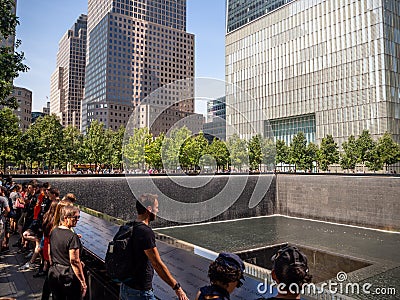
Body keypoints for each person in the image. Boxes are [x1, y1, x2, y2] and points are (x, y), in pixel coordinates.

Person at [119, 193, 188, 300]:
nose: (158, 211)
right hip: (140, 292)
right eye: (156, 208)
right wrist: (177, 287)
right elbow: (156, 264)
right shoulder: (145, 232)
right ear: (149, 209)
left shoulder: (128, 226)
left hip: (125, 288)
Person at [48, 205, 87, 300]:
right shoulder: (72, 237)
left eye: (79, 217)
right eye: (75, 217)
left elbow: (50, 251)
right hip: (67, 275)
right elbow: (74, 261)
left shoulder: (54, 231)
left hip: (54, 272)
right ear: (66, 218)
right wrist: (82, 281)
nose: (77, 220)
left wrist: (52, 265)